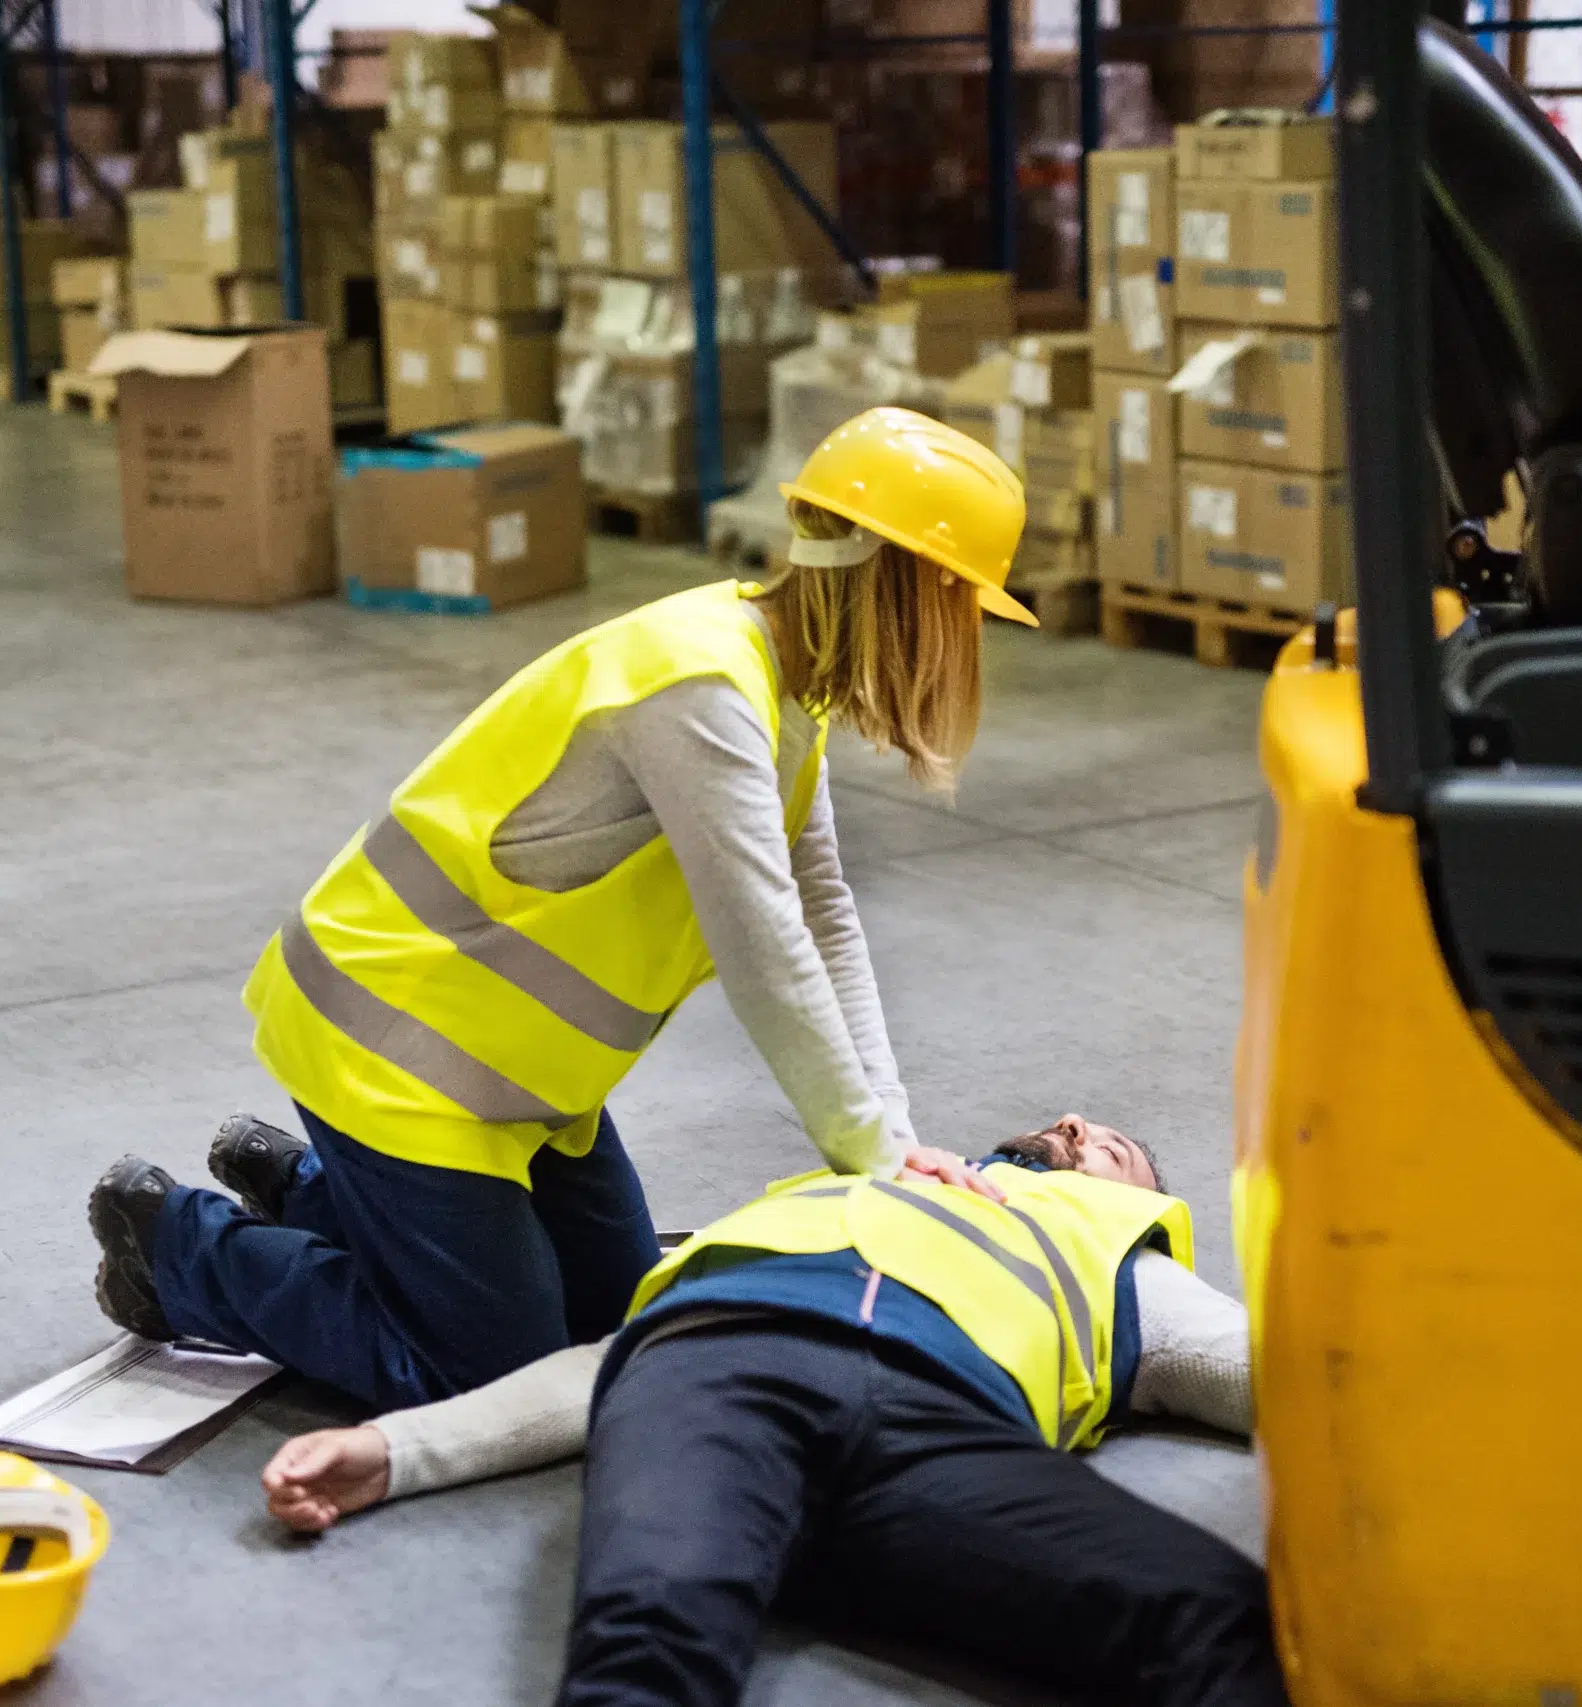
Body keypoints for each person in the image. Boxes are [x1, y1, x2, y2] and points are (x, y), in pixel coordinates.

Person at [83, 408, 1038, 1414]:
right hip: (395, 1046)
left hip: (515, 1073)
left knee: (616, 1318)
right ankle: (176, 1245)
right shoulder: (701, 688)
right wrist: (873, 1159)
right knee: (495, 1373)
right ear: (916, 584)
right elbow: (764, 952)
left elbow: (825, 916)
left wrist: (893, 1140)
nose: (970, 634)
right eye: (967, 604)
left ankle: (310, 1190)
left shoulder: (781, 691)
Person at [261, 1117, 1283, 1707]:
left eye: (1106, 1144)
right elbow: (605, 1367)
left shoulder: (1125, 1258)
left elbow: (1283, 1379)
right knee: (650, 1634)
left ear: (1144, 1199)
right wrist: (397, 1447)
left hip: (938, 1431)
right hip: (711, 1372)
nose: (1070, 1130)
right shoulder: (851, 1178)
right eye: (1061, 1120)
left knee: (1218, 1616)